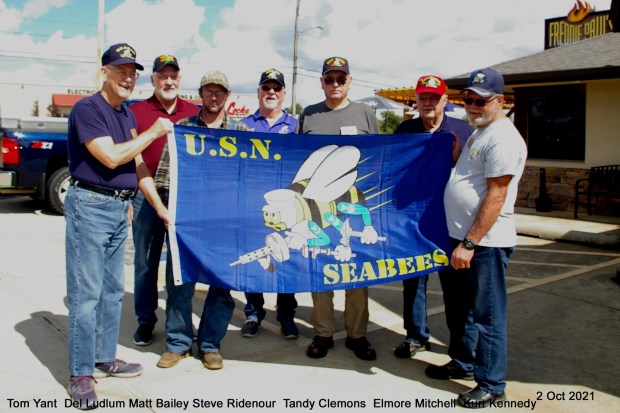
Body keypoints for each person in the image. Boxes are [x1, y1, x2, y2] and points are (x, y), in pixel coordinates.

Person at [65, 43, 173, 409]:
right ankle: (81, 373)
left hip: (118, 208)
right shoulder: (87, 109)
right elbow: (111, 157)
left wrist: (159, 207)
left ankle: (104, 358)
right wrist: (153, 132)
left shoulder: (125, 113)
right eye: (121, 71)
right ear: (104, 73)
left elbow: (137, 164)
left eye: (132, 73)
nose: (128, 79)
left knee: (112, 291)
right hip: (90, 207)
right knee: (86, 294)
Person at [426, 68, 527, 408]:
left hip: (485, 244)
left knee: (487, 315)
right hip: (459, 238)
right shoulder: (479, 131)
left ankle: (492, 384)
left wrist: (469, 243)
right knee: (460, 310)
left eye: (480, 101)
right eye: (468, 99)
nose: (472, 105)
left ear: (500, 101)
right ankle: (463, 361)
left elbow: (497, 194)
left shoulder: (503, 138)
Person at [144, 70, 238, 371]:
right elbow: (163, 176)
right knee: (179, 284)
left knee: (221, 287)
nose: (214, 96)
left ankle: (210, 345)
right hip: (187, 224)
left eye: (219, 91)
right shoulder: (182, 129)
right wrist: (167, 211)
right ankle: (178, 343)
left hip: (224, 225)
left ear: (227, 96)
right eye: (209, 91)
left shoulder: (241, 132)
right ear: (200, 94)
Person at [297, 56, 380, 360]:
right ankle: (323, 333)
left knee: (356, 272)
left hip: (355, 203)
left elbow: (381, 156)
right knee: (321, 268)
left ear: (349, 81)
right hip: (318, 205)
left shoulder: (365, 114)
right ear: (321, 82)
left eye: (340, 79)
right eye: (329, 79)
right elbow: (296, 156)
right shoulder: (309, 115)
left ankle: (357, 335)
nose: (335, 84)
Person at [392, 75, 473, 359]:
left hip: (450, 221)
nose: (428, 103)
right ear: (416, 100)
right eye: (423, 98)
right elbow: (392, 168)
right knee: (413, 281)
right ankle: (415, 336)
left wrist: (455, 158)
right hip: (413, 220)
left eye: (434, 98)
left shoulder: (462, 130)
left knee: (454, 287)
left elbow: (473, 176)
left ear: (445, 100)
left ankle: (459, 346)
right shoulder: (406, 130)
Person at [129, 55, 199, 346]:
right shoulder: (135, 112)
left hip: (183, 200)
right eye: (162, 76)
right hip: (146, 198)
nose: (169, 81)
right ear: (153, 80)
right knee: (145, 263)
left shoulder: (194, 112)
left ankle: (179, 324)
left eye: (173, 76)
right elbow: (134, 160)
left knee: (179, 267)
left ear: (180, 80)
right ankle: (146, 320)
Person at [236, 68, 299, 339]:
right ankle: (253, 314)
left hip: (286, 204)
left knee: (287, 259)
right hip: (252, 203)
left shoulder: (296, 126)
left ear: (283, 93)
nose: (271, 92)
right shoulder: (243, 125)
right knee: (254, 259)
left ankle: (286, 315)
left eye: (276, 88)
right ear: (258, 91)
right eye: (266, 87)